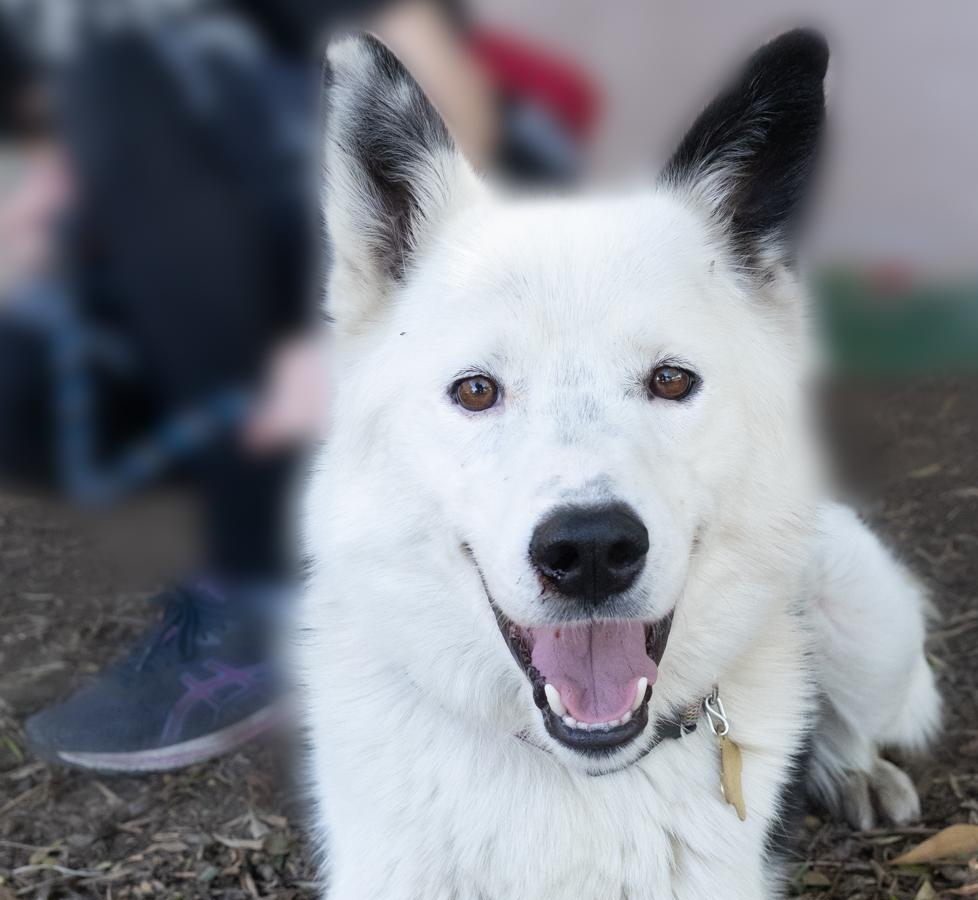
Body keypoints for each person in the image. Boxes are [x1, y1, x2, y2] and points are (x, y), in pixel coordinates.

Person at [0, 0, 591, 772]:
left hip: (454, 178)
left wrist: (378, 328)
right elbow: (66, 140)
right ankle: (272, 482)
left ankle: (259, 594)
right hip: (256, 197)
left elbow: (443, 97)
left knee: (135, 93)